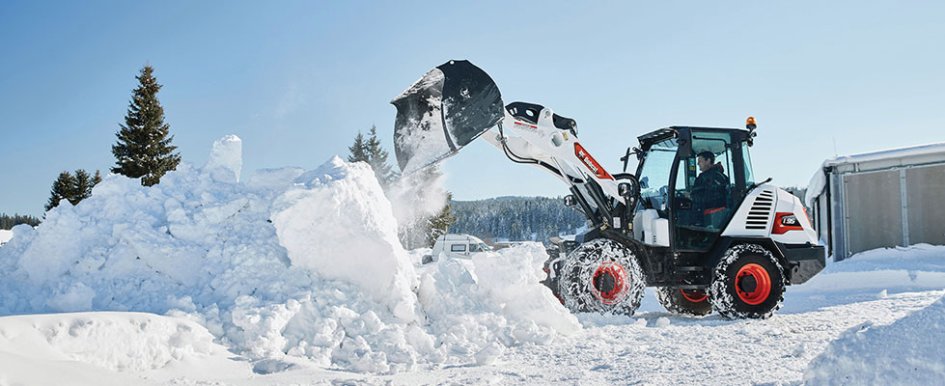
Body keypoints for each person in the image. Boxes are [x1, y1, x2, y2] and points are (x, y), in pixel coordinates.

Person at [691, 151, 729, 227]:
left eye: (700, 161)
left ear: (708, 161)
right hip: (721, 213)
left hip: (708, 214)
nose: (698, 164)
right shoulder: (723, 176)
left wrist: (691, 196)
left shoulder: (705, 177)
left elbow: (703, 196)